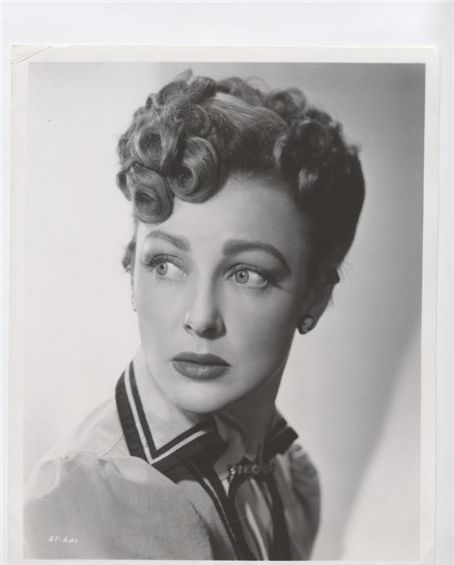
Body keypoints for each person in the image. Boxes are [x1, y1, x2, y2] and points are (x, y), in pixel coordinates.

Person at [24, 70, 365, 560]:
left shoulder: (292, 477)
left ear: (313, 298)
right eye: (166, 264)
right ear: (132, 268)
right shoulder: (87, 497)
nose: (200, 318)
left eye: (247, 274)